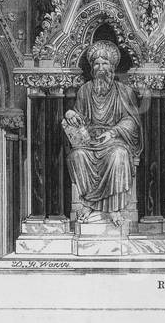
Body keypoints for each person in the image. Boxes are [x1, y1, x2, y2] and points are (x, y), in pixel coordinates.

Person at [63, 41, 143, 225]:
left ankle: (114, 208)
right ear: (92, 67)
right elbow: (80, 117)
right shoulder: (85, 90)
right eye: (97, 64)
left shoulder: (124, 91)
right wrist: (71, 114)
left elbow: (132, 121)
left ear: (112, 66)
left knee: (118, 155)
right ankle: (89, 203)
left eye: (105, 63)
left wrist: (113, 133)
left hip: (114, 141)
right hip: (90, 142)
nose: (101, 68)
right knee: (77, 156)